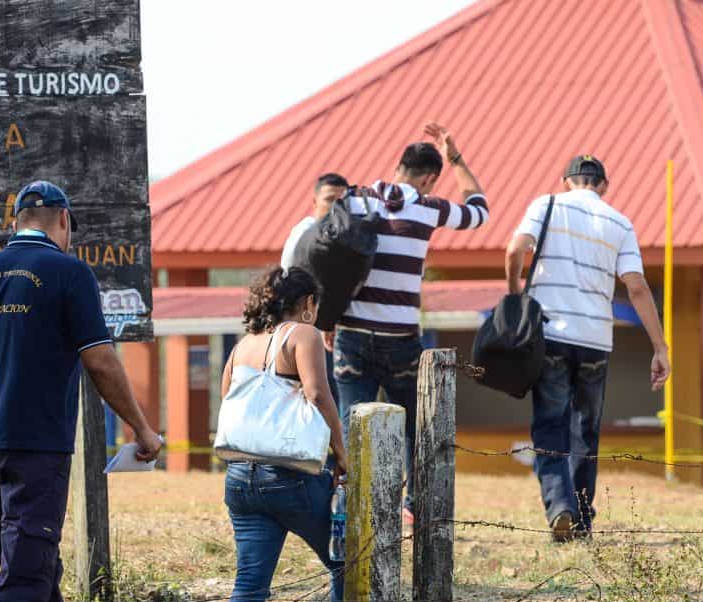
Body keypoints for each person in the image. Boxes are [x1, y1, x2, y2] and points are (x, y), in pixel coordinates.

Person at [0, 180, 163, 602]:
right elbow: (100, 360)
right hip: (39, 448)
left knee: (32, 564)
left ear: (14, 223)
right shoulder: (68, 272)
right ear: (63, 221)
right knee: (26, 573)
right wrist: (141, 428)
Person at [506, 155, 670, 542]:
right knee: (585, 432)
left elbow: (515, 250)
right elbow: (636, 286)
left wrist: (515, 295)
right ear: (604, 186)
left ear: (566, 181)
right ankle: (582, 521)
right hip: (597, 340)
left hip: (552, 335)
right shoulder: (619, 222)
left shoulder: (545, 205)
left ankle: (560, 505)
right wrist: (660, 347)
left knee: (550, 425)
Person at [330, 123, 488, 523]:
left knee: (353, 428)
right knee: (418, 426)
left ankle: (349, 513)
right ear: (431, 178)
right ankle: (415, 507)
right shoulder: (430, 207)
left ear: (397, 167)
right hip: (400, 338)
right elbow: (479, 210)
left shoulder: (356, 199)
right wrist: (457, 157)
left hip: (350, 334)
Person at [219, 266, 348, 602]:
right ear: (308, 303)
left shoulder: (244, 344)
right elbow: (317, 394)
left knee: (250, 583)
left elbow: (228, 397)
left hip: (240, 478)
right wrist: (341, 453)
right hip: (289, 478)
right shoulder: (303, 335)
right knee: (346, 561)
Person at [280, 172, 349, 404]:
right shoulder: (304, 233)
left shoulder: (348, 236)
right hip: (304, 332)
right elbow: (289, 282)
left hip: (333, 332)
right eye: (329, 199)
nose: (334, 208)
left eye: (341, 201)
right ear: (314, 202)